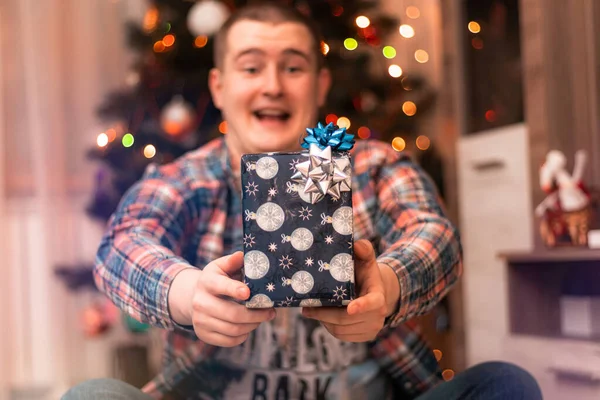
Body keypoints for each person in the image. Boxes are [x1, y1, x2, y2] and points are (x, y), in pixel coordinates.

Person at [63, 2, 542, 399]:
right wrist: (187, 295)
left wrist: (387, 287)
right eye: (251, 67)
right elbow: (122, 244)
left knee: (504, 384)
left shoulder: (371, 166)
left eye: (293, 67)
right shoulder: (190, 179)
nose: (272, 85)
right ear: (219, 87)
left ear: (319, 85)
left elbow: (437, 238)